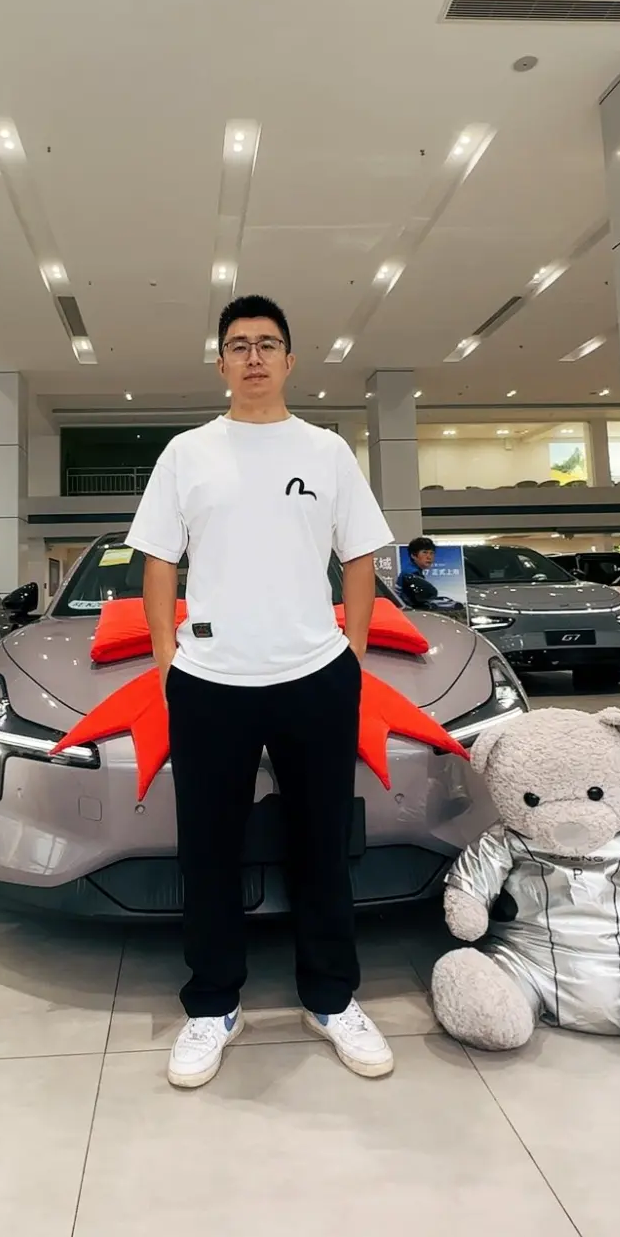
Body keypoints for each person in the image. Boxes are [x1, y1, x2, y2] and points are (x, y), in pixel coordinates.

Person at [127, 295, 396, 1089]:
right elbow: (158, 562)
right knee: (208, 849)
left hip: (316, 675)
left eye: (267, 344)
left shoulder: (327, 451)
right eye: (239, 345)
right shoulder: (188, 453)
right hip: (210, 681)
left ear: (289, 360)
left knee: (322, 844)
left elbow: (359, 557)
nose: (253, 356)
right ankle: (213, 1005)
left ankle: (331, 998)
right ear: (220, 363)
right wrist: (168, 658)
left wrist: (351, 653)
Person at [399, 536, 439, 609]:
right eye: (425, 552)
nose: (429, 557)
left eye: (431, 553)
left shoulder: (412, 571)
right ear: (413, 555)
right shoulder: (412, 573)